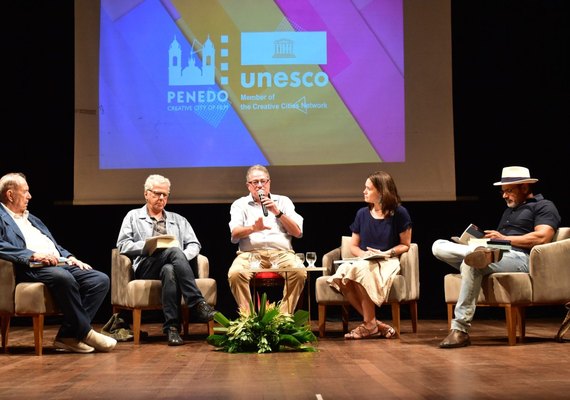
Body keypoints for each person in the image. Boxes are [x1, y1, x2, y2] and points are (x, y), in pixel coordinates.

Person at [432, 166, 561, 348]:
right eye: (503, 191)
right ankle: (476, 252)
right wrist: (484, 241)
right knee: (437, 246)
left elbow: (542, 237)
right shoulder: (509, 211)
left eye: (509, 191)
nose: (504, 196)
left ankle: (460, 330)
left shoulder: (544, 206)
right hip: (496, 254)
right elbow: (501, 241)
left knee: (471, 264)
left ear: (525, 188)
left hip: (520, 258)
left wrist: (503, 239)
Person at [0, 172, 117, 353]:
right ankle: (86, 332)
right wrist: (32, 255)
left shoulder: (31, 218)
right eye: (25, 191)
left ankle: (68, 335)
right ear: (10, 194)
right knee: (63, 277)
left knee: (99, 280)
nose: (29, 196)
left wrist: (69, 257)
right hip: (29, 266)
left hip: (57, 262)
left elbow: (52, 244)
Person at [116, 174, 217, 346]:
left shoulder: (179, 220)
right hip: (146, 266)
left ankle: (172, 329)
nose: (161, 198)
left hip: (173, 265)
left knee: (170, 269)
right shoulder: (133, 216)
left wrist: (180, 257)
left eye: (165, 194)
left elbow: (194, 244)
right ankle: (197, 303)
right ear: (146, 194)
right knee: (173, 252)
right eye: (157, 193)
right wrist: (148, 245)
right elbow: (123, 245)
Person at [327, 170, 412, 340]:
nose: (364, 191)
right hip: (364, 260)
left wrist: (387, 252)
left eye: (368, 188)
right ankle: (374, 324)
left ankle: (369, 325)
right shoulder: (362, 214)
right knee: (341, 276)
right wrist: (364, 254)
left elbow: (405, 245)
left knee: (360, 270)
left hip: (388, 260)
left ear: (381, 192)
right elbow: (354, 247)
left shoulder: (399, 212)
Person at [228, 165, 306, 315]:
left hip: (282, 253)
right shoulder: (240, 204)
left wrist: (277, 212)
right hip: (249, 254)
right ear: (248, 186)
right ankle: (249, 320)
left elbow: (297, 232)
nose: (259, 186)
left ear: (269, 182)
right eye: (255, 182)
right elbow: (235, 232)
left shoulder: (283, 201)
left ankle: (282, 319)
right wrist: (253, 228)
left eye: (263, 181)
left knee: (300, 272)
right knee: (235, 274)